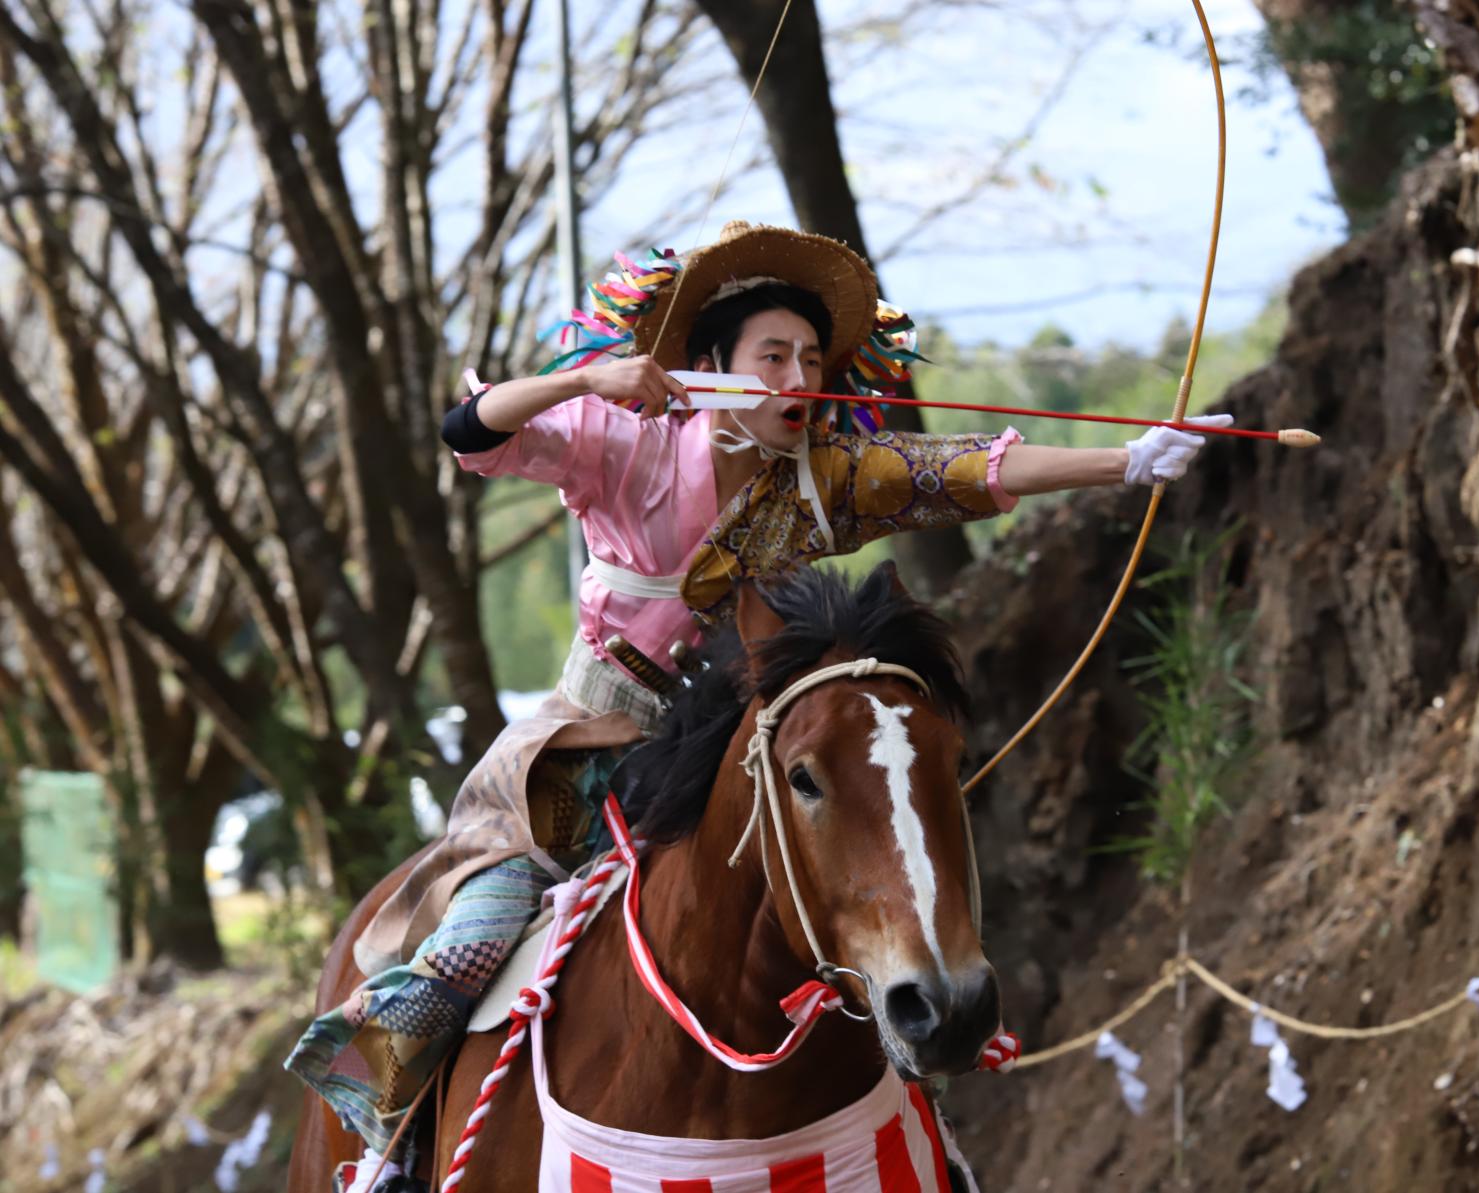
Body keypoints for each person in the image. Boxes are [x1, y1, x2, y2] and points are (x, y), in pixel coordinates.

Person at [287, 220, 1230, 1191]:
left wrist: (1125, 460)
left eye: (811, 358)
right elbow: (470, 429)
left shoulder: (815, 482)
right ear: (708, 368)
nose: (795, 377)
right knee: (474, 929)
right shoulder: (626, 442)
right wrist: (583, 382)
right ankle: (392, 1148)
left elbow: (963, 469)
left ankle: (916, 1137)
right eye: (770, 356)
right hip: (589, 745)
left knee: (865, 919)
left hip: (736, 750)